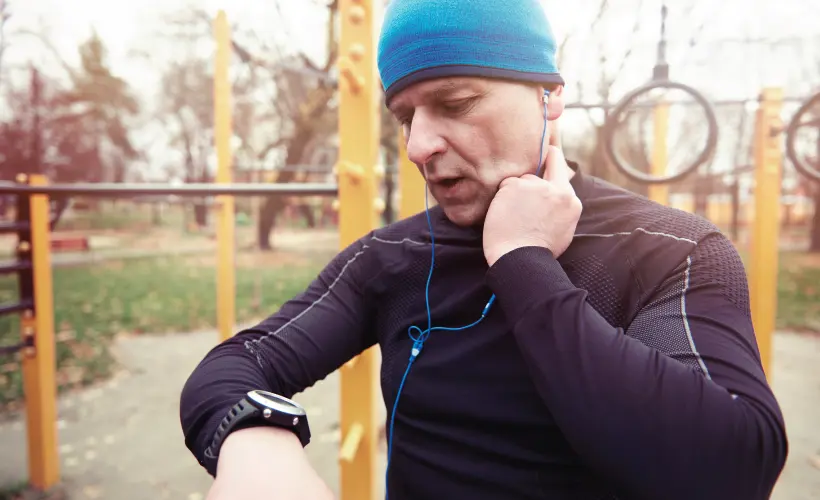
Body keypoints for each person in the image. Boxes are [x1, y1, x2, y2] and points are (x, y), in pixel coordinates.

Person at [179, 1, 788, 499]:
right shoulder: (394, 257)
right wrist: (257, 446)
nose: (418, 144)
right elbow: (237, 365)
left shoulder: (670, 249)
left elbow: (732, 467)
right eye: (404, 116)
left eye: (456, 104)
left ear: (550, 98)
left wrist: (524, 261)